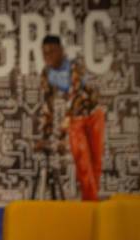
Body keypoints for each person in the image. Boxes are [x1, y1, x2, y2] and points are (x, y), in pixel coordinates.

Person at [37, 35, 105, 201]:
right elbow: (48, 106)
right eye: (45, 53)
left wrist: (60, 135)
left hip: (94, 114)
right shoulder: (46, 73)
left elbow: (75, 98)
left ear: (61, 51)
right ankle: (90, 206)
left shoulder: (74, 66)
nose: (48, 57)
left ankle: (91, 204)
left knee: (95, 164)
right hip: (77, 120)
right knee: (83, 163)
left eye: (52, 52)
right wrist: (45, 137)